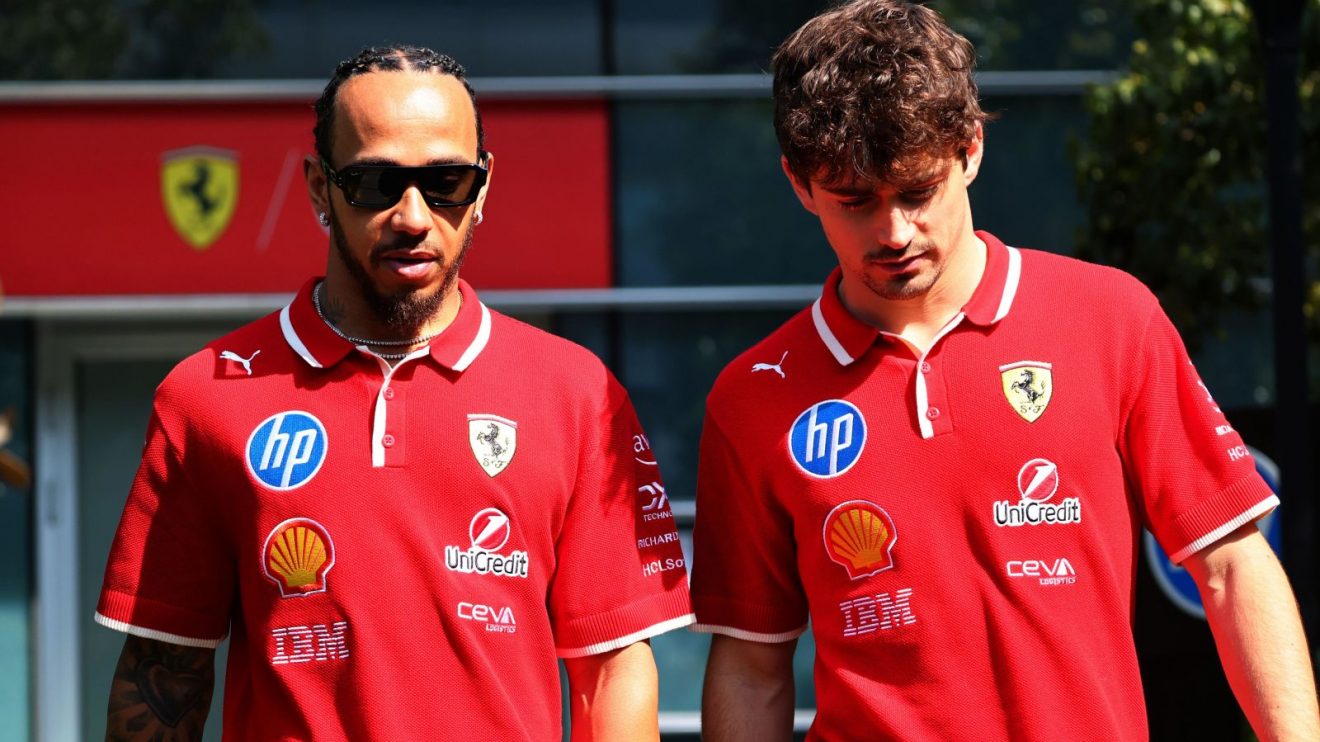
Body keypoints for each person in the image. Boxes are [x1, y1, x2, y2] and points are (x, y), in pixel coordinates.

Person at [689, 2, 1320, 740]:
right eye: (854, 202)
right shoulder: (754, 395)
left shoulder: (1110, 319)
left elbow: (1232, 567)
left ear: (969, 149)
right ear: (800, 184)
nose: (893, 232)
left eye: (917, 192)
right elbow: (751, 666)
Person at [97, 45, 693, 741]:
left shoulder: (577, 393)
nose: (413, 216)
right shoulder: (205, 396)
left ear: (484, 185)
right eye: (376, 184)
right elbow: (163, 671)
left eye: (445, 182)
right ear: (320, 187)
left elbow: (614, 668)